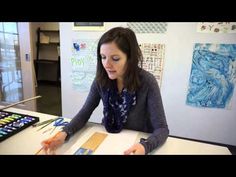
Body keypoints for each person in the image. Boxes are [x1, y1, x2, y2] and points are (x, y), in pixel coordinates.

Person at [41, 27, 169, 155]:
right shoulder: (101, 80)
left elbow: (162, 128)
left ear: (130, 58)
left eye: (115, 58)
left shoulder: (147, 82)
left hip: (135, 141)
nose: (107, 64)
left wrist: (145, 146)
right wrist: (64, 133)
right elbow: (84, 113)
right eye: (103, 57)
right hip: (107, 137)